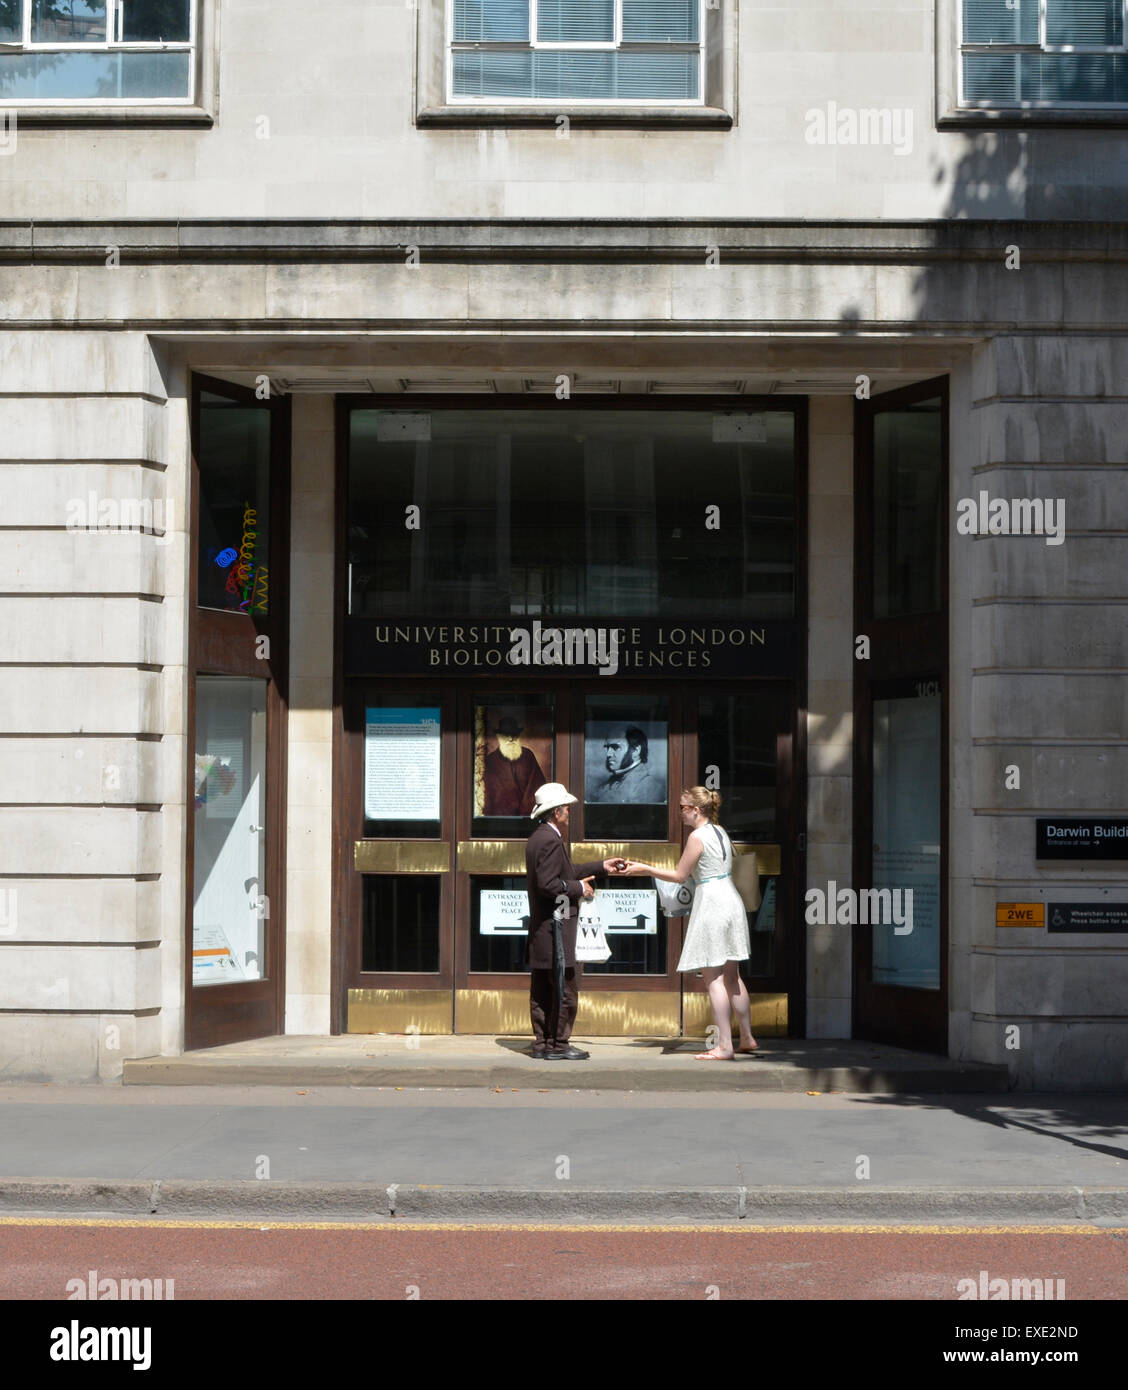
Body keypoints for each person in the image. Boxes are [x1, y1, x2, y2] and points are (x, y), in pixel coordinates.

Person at [617, 786, 757, 1060]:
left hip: (713, 903)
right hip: (731, 899)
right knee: (732, 974)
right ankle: (748, 1036)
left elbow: (680, 876)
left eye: (683, 807)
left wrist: (645, 868)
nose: (679, 812)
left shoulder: (697, 836)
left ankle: (725, 1046)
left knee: (713, 978)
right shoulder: (720, 831)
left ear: (696, 809)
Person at [525, 783, 622, 1060]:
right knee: (564, 987)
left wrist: (600, 866)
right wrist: (580, 889)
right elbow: (549, 883)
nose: (569, 812)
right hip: (556, 928)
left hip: (545, 929)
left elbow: (564, 872)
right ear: (556, 812)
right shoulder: (550, 840)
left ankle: (544, 1043)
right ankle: (558, 1045)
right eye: (566, 808)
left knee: (544, 988)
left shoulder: (540, 837)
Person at [483, 715, 546, 816]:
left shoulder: (527, 755)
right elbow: (487, 796)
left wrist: (525, 811)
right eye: (505, 735)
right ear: (499, 736)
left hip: (528, 818)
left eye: (514, 734)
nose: (511, 738)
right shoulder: (490, 761)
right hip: (498, 820)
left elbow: (538, 786)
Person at [592, 725, 666, 804]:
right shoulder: (608, 784)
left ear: (636, 750)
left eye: (615, 747)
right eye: (607, 748)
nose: (608, 754)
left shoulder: (649, 788)